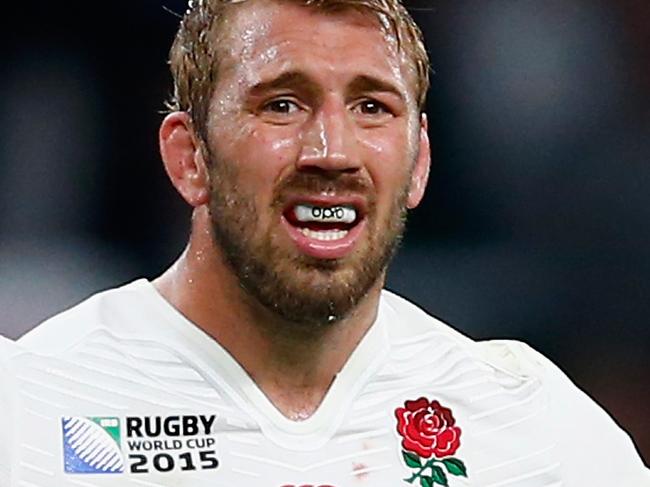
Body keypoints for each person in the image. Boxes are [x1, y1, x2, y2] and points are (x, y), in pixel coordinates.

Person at [0, 0, 648, 485]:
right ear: (189, 156)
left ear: (419, 161)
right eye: (282, 104)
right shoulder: (32, 406)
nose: (332, 151)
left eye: (372, 108)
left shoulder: (531, 425)